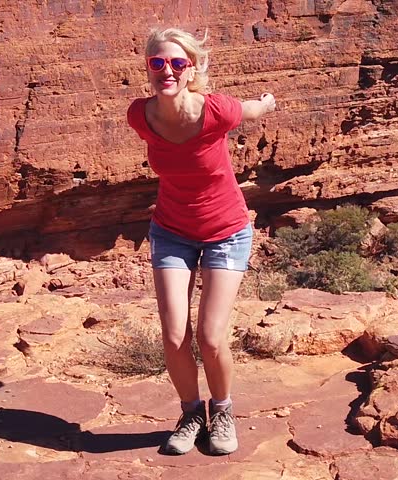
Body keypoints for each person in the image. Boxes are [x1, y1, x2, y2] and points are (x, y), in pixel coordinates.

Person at [126, 27, 276, 455]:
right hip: (172, 232)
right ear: (148, 69)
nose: (166, 71)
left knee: (211, 337)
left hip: (226, 232)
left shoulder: (217, 111)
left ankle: (223, 410)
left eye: (177, 63)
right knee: (174, 335)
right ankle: (191, 413)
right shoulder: (140, 115)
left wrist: (266, 103)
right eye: (157, 63)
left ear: (191, 69)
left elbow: (249, 110)